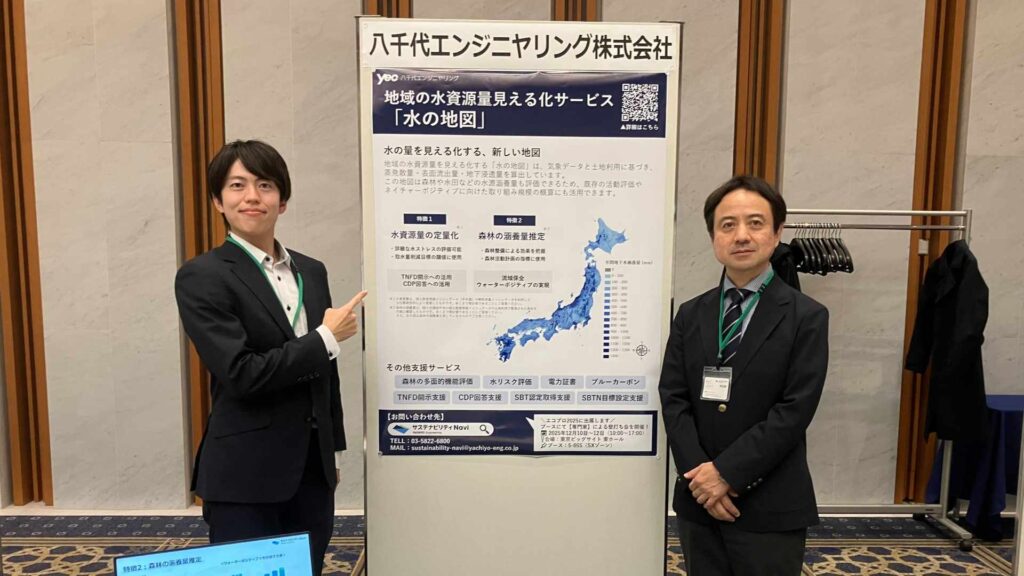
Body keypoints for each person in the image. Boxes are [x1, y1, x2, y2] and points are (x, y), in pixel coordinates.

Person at [175, 140, 366, 576]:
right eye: (237, 185)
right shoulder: (202, 276)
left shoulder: (311, 270)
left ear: (282, 201)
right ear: (217, 201)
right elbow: (241, 373)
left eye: (265, 185)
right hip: (245, 472)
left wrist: (332, 451)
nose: (252, 197)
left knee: (306, 569)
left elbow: (326, 374)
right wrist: (324, 338)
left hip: (312, 471)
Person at [659, 175, 828, 575]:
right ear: (713, 237)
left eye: (755, 223)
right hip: (700, 501)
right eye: (727, 225)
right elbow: (674, 397)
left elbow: (794, 410)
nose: (741, 236)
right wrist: (701, 477)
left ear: (777, 233)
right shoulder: (690, 314)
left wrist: (726, 474)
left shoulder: (806, 316)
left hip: (770, 501)